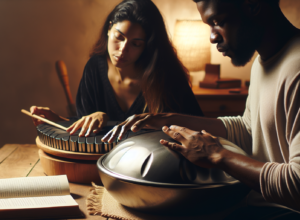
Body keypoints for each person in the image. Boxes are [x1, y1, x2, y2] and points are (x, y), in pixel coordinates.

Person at [102, 0, 300, 219]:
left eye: (218, 21)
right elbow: (248, 130)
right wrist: (167, 119)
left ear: (252, 5)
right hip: (260, 204)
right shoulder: (265, 61)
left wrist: (217, 154)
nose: (212, 37)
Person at [30, 0, 203, 137]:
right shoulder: (94, 68)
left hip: (152, 170)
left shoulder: (166, 76)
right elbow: (85, 132)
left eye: (136, 44)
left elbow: (198, 128)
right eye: (119, 37)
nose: (122, 50)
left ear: (147, 46)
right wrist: (58, 121)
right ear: (109, 29)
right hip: (99, 167)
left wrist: (106, 120)